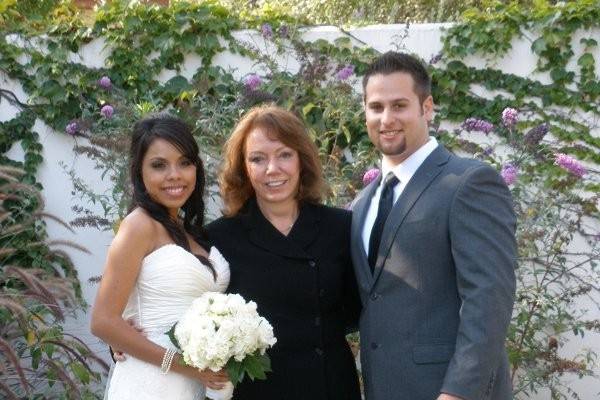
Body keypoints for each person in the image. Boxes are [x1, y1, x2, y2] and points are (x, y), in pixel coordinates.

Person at [351, 51, 517, 400]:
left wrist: (458, 392)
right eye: (376, 107)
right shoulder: (361, 204)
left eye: (399, 105)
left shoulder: (468, 182)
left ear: (427, 108)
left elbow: (489, 297)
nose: (386, 118)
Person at [206, 104, 361, 400]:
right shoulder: (220, 237)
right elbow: (188, 309)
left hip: (329, 387)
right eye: (258, 159)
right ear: (244, 168)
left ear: (302, 161)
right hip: (257, 392)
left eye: (284, 155)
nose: (272, 169)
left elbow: (361, 308)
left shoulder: (339, 227)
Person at [90, 115, 231, 400]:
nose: (174, 175)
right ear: (139, 172)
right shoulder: (139, 225)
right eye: (159, 165)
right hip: (153, 383)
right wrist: (185, 367)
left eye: (184, 163)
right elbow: (103, 321)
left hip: (193, 383)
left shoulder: (189, 231)